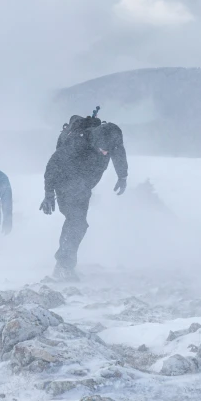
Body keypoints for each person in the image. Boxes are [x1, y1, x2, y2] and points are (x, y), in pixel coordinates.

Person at [40, 120, 128, 281]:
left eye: (108, 151)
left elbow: (119, 154)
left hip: (84, 188)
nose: (105, 154)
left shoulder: (111, 142)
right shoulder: (77, 143)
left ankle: (64, 264)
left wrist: (122, 176)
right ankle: (63, 266)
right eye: (103, 150)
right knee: (77, 223)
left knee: (78, 224)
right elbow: (53, 165)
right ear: (96, 142)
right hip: (64, 183)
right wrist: (48, 193)